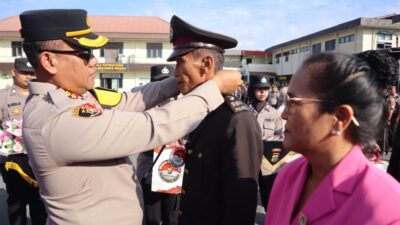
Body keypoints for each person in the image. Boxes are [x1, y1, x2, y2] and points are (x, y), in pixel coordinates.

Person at [18, 9, 242, 225]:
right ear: (49, 61)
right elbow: (151, 126)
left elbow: (131, 100)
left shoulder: (71, 97)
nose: (94, 60)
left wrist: (186, 77)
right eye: (83, 54)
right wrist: (213, 88)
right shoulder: (57, 118)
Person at [265, 51, 400, 225]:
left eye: (293, 102)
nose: (283, 115)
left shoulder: (386, 208)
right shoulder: (287, 175)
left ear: (340, 118)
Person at [166, 15, 263, 225]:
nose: (175, 73)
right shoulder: (197, 110)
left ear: (206, 64)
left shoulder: (236, 119)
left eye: (180, 63)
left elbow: (241, 205)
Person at [0, 58, 47, 225]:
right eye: (24, 73)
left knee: (40, 201)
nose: (29, 76)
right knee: (17, 202)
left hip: (40, 157)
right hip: (13, 158)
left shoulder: (44, 96)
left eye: (32, 73)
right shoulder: (3, 97)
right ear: (14, 72)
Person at [136, 65, 180, 225]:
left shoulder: (182, 107)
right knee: (151, 217)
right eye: (159, 83)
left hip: (172, 169)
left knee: (171, 217)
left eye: (167, 83)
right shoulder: (142, 109)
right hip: (149, 169)